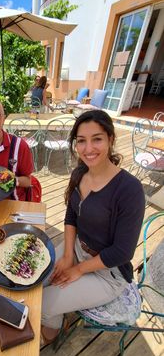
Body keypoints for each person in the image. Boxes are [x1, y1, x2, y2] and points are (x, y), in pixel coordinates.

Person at [41, 110, 145, 343]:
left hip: (107, 274)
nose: (88, 149)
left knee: (43, 304)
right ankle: (56, 317)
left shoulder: (129, 190)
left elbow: (122, 252)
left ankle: (52, 332)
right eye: (81, 141)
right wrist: (68, 256)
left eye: (97, 139)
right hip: (77, 249)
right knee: (35, 280)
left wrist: (77, 269)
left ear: (110, 139)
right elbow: (71, 215)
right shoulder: (80, 173)